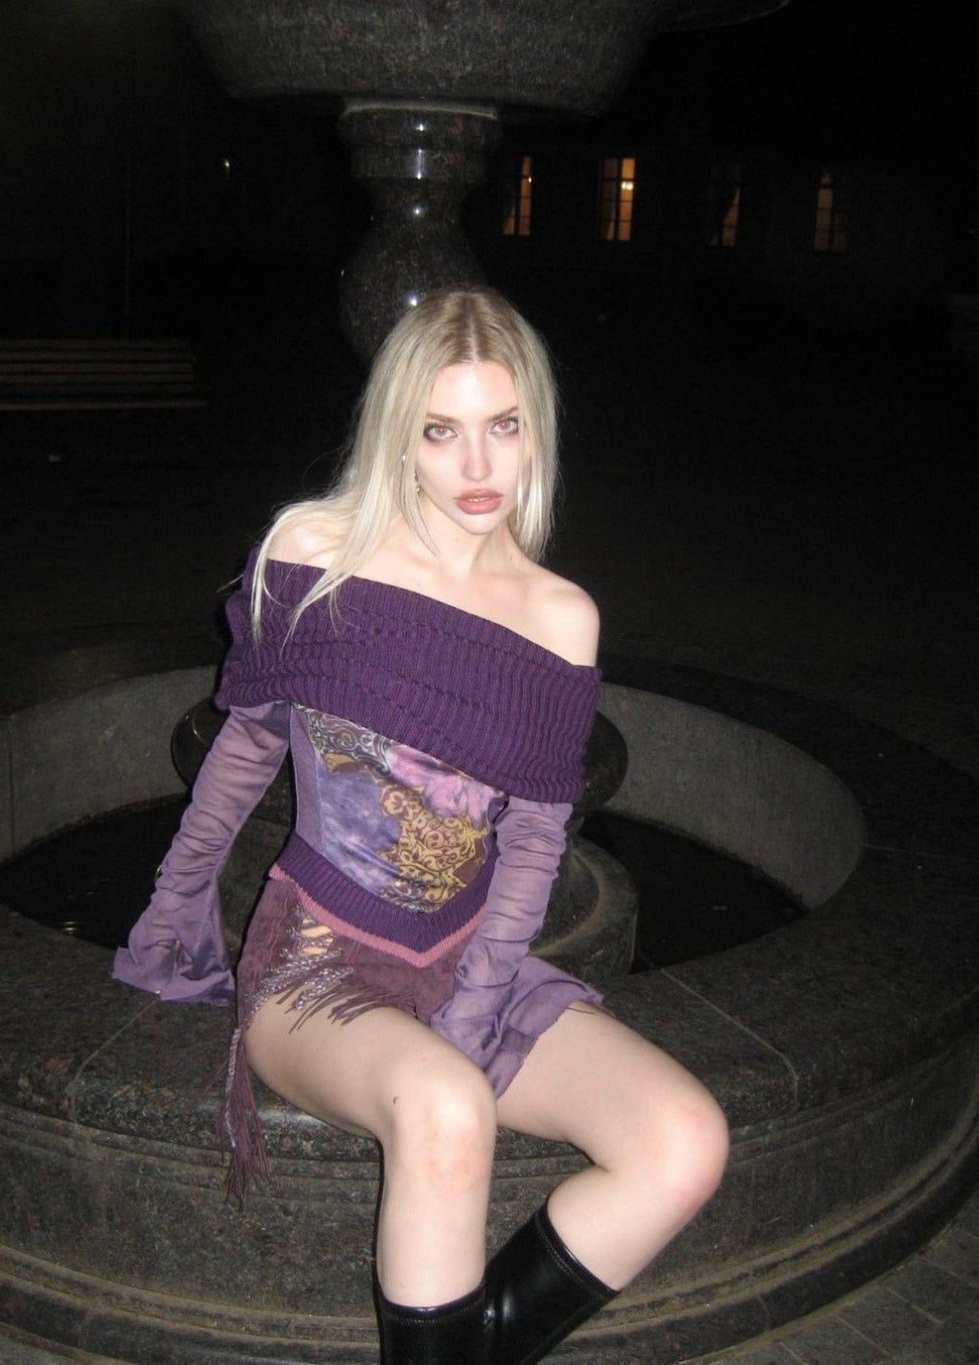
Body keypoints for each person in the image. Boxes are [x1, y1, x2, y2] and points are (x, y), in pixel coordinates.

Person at [112, 288, 729, 1365]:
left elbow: (534, 840)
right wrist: (174, 912)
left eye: (503, 425)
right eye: (441, 430)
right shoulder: (313, 552)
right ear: (399, 434)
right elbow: (243, 751)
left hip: (469, 958)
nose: (477, 465)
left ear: (536, 429)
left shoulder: (559, 616)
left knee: (684, 1139)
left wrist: (475, 1009)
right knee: (446, 1106)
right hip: (316, 962)